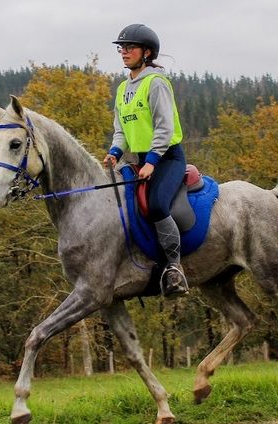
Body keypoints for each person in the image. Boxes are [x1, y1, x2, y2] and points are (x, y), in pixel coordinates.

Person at [103, 24, 188, 296]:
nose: (124, 52)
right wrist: (115, 152)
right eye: (121, 48)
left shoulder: (156, 83)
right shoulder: (123, 89)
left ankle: (174, 268)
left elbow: (164, 128)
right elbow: (121, 129)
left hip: (167, 158)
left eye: (130, 47)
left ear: (147, 52)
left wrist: (151, 161)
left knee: (156, 205)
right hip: (142, 160)